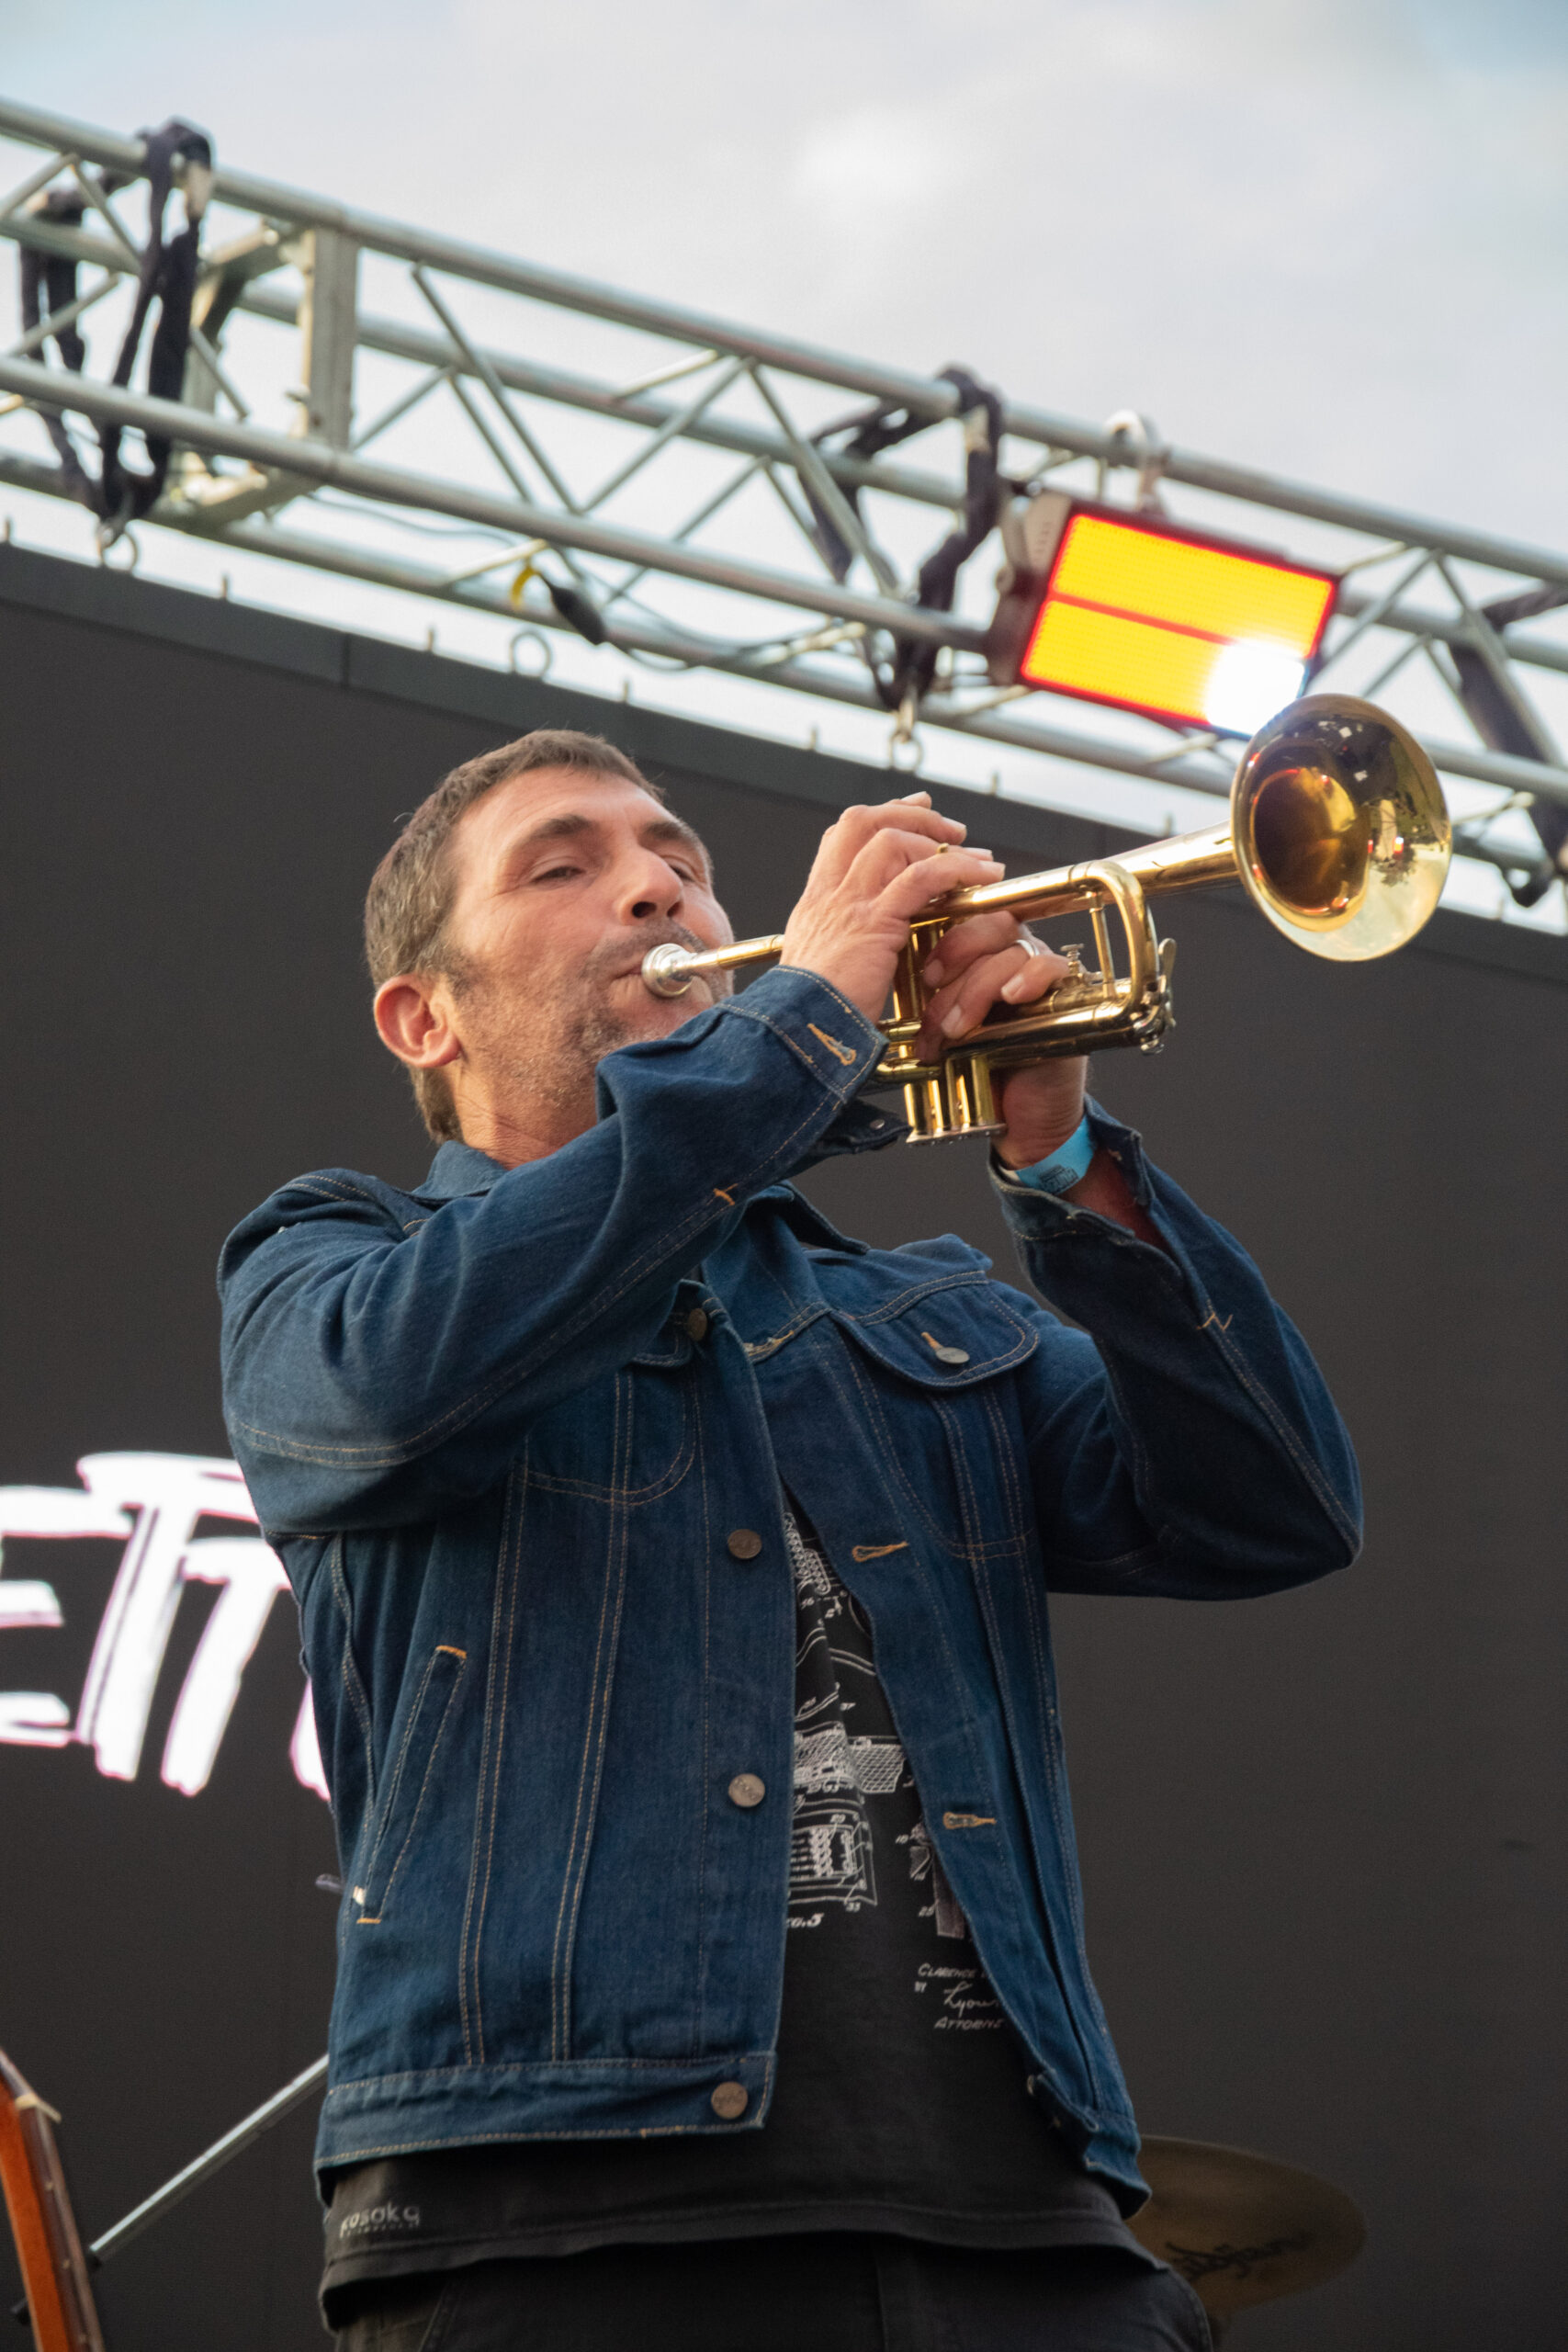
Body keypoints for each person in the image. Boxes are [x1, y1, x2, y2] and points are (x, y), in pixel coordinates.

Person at [218, 728, 1360, 2352]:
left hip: (1027, 2236)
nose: (656, 888)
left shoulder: (920, 1306)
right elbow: (389, 1394)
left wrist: (1061, 1151)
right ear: (426, 1018)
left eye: (678, 860)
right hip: (556, 2224)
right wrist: (801, 1026)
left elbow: (1275, 1506)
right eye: (564, 864)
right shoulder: (334, 1263)